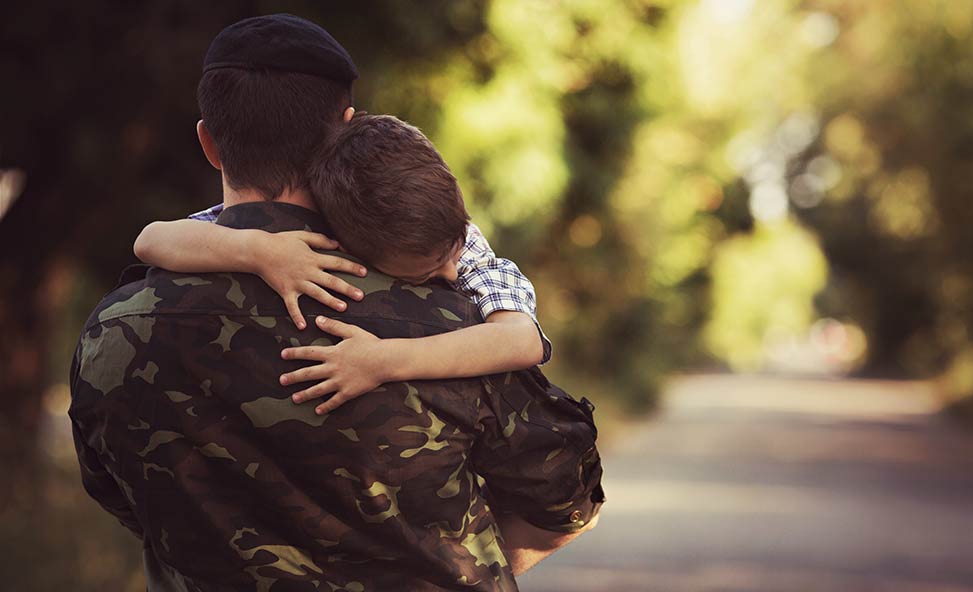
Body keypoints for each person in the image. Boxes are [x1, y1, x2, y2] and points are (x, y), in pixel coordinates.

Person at [69, 13, 603, 591]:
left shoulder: (114, 333)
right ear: (344, 129)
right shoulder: (452, 327)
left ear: (209, 143)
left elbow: (119, 495)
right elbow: (567, 499)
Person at [133, 131, 550, 416]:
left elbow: (521, 339)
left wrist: (384, 361)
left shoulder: (462, 242)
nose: (451, 270)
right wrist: (259, 251)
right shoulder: (334, 227)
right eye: (425, 273)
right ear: (353, 249)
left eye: (454, 248)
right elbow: (151, 239)